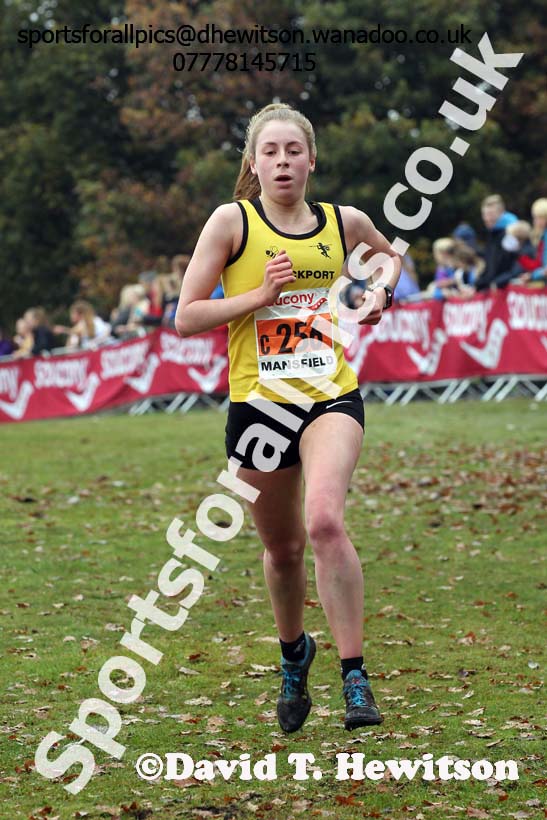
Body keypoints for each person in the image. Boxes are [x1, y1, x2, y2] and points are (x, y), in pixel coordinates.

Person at [175, 103, 402, 733]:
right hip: (259, 409)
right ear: (253, 162)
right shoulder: (231, 223)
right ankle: (294, 653)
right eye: (270, 152)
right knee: (282, 550)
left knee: (325, 520)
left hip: (331, 396)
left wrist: (382, 291)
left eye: (293, 151)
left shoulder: (342, 221)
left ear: (311, 159)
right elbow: (186, 315)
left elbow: (389, 260)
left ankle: (354, 675)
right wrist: (257, 298)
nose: (282, 162)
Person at [474, 194, 518, 291]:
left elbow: (517, 263)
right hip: (494, 290)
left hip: (506, 290)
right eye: (484, 215)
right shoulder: (492, 235)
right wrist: (476, 286)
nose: (487, 219)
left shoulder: (511, 234)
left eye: (491, 214)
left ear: (501, 213)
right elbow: (490, 268)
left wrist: (498, 282)